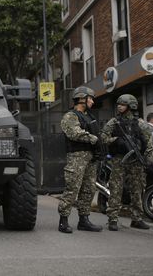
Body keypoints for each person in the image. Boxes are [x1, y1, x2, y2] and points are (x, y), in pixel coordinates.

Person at [101, 94, 153, 231]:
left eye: (122, 104)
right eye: (118, 104)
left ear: (131, 107)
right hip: (119, 160)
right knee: (116, 188)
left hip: (136, 161)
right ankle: (113, 218)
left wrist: (149, 160)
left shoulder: (140, 123)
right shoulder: (114, 122)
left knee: (137, 189)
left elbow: (148, 143)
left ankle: (137, 218)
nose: (119, 106)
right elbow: (103, 137)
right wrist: (116, 141)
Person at [57, 86, 103, 233]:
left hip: (90, 157)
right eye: (90, 98)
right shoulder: (71, 116)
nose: (92, 102)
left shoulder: (90, 117)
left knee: (89, 189)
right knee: (72, 188)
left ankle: (84, 220)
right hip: (77, 156)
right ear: (82, 99)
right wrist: (93, 138)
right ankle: (63, 220)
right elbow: (73, 133)